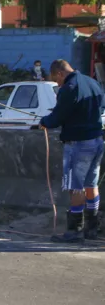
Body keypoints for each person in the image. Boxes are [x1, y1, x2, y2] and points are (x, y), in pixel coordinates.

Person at [40, 59, 105, 243]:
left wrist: (44, 122)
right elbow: (100, 107)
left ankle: (74, 231)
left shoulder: (69, 88)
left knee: (75, 186)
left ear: (60, 73)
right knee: (91, 184)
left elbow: (58, 116)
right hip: (97, 140)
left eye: (56, 79)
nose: (57, 83)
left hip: (78, 143)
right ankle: (92, 228)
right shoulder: (92, 82)